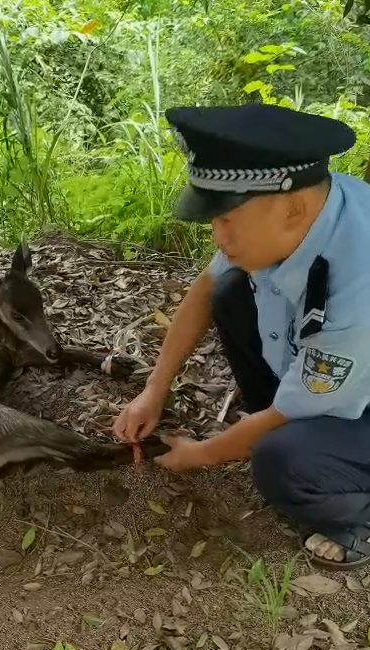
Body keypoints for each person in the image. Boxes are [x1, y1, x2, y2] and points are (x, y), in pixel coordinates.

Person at [113, 102, 370, 572]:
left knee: (281, 459)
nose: (215, 234)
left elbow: (297, 408)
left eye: (226, 219)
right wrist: (155, 388)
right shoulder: (305, 215)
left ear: (291, 206)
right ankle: (288, 428)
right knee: (232, 289)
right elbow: (205, 290)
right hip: (339, 380)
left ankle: (356, 517)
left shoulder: (359, 279)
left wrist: (202, 455)